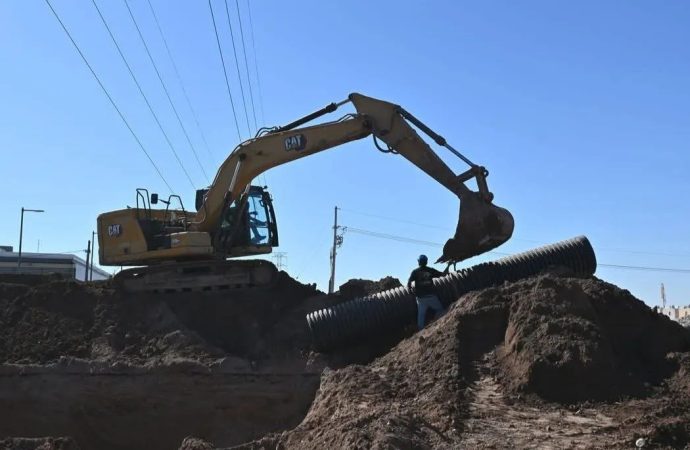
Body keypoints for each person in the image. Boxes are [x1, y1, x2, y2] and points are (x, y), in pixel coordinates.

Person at [408, 254, 448, 330]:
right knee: (440, 310)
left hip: (420, 298)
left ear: (419, 262)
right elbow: (443, 274)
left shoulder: (415, 272)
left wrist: (411, 292)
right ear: (426, 262)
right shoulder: (430, 270)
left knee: (421, 316)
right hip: (431, 297)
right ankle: (437, 323)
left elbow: (409, 283)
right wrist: (448, 266)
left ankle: (421, 332)